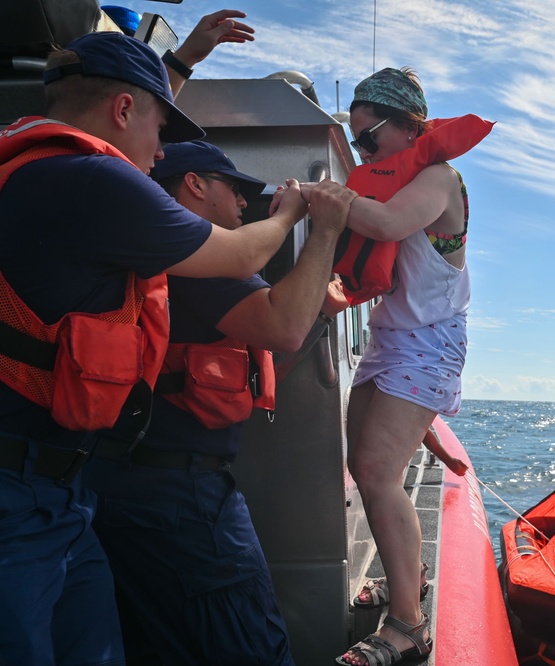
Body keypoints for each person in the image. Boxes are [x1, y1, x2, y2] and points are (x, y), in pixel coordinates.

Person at [0, 30, 320, 665]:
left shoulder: (40, 169)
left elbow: (132, 117)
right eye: (157, 129)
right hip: (21, 496)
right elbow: (245, 258)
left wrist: (179, 62)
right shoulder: (90, 179)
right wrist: (295, 215)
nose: (158, 154)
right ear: (122, 111)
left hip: (62, 487)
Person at [82, 140, 355, 665]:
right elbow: (282, 326)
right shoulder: (195, 262)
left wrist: (317, 315)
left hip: (130, 487)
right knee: (250, 645)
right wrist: (325, 228)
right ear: (194, 185)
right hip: (183, 501)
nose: (243, 206)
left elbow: (255, 366)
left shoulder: (151, 257)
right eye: (234, 190)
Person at [336, 67, 477, 666]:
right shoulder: (383, 181)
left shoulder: (440, 179)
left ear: (409, 126)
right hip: (388, 341)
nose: (362, 153)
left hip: (430, 343)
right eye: (356, 142)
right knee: (361, 464)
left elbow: (391, 225)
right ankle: (407, 579)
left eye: (370, 140)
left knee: (374, 468)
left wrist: (321, 198)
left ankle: (407, 627)